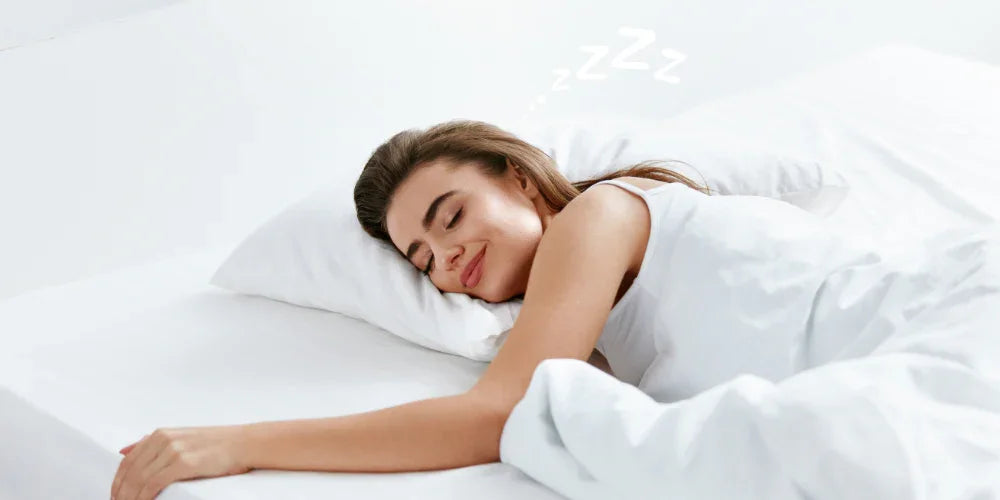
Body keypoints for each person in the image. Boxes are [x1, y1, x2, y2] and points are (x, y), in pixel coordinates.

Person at [108, 119, 711, 500]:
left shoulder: (600, 213)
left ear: (522, 179)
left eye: (451, 217)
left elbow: (497, 415)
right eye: (423, 261)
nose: (446, 258)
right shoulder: (592, 324)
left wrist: (236, 445)